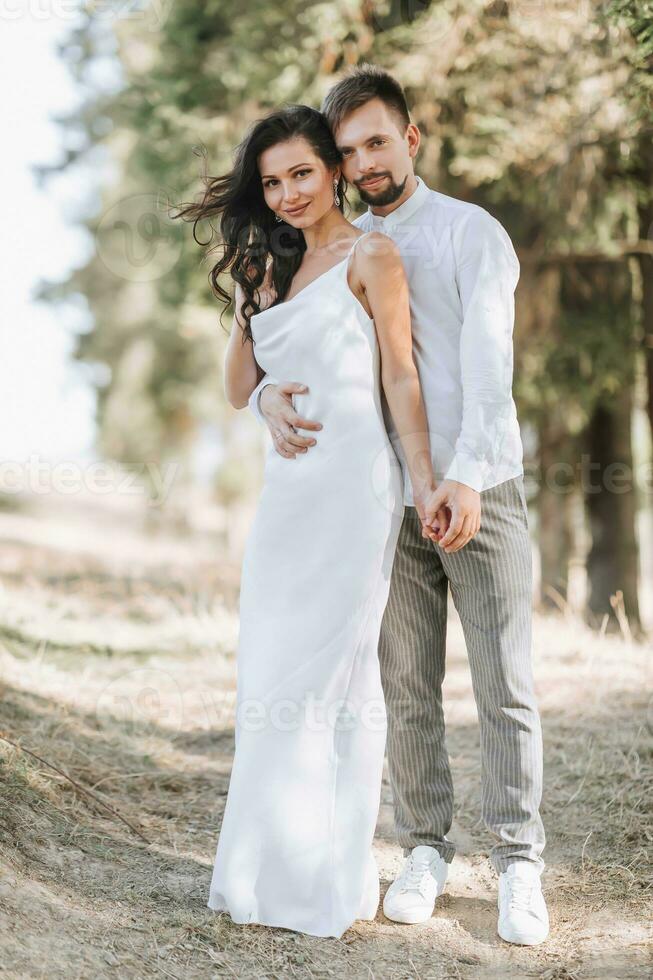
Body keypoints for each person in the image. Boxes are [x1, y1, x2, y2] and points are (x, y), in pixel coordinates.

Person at [248, 66, 549, 947]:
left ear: (410, 139)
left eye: (378, 141)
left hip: (475, 486)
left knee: (504, 680)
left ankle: (518, 860)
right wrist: (267, 398)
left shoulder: (468, 232)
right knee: (404, 684)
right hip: (378, 499)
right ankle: (424, 846)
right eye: (348, 152)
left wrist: (460, 477)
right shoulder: (334, 245)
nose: (366, 161)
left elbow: (489, 369)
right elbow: (288, 345)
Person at [177, 103, 444, 938]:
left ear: (332, 169)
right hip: (286, 499)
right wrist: (263, 392)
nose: (288, 193)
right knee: (269, 670)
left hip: (352, 491)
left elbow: (400, 377)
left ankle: (321, 880)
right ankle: (260, 870)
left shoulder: (373, 255)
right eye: (271, 182)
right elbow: (237, 387)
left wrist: (426, 480)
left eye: (301, 173)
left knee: (332, 678)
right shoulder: (270, 266)